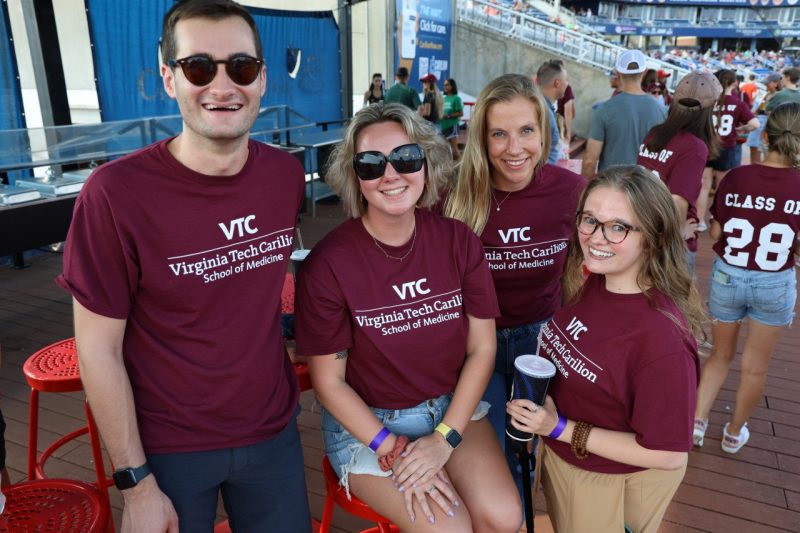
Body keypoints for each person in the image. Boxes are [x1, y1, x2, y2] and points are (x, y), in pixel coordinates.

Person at [56, 1, 311, 531]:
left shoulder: (284, 176)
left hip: (271, 433)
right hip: (167, 449)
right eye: (199, 67)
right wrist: (136, 482)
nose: (222, 85)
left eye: (240, 67)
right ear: (170, 80)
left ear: (262, 79)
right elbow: (97, 347)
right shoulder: (114, 195)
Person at [294, 102, 521, 532]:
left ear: (426, 164)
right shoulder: (330, 262)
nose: (391, 174)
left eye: (405, 158)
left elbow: (482, 348)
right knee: (449, 528)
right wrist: (390, 445)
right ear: (354, 177)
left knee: (503, 517)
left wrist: (444, 439)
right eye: (371, 164)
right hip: (371, 426)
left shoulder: (458, 241)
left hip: (450, 412)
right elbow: (329, 382)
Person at [506, 166, 703, 533]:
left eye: (618, 227)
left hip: (609, 481)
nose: (596, 237)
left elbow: (669, 452)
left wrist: (559, 427)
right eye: (590, 220)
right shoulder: (601, 280)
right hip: (567, 462)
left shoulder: (662, 342)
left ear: (653, 238)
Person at [444, 73, 586, 506]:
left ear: (545, 132)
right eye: (499, 134)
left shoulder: (572, 192)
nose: (514, 148)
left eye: (526, 131)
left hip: (540, 342)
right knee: (492, 463)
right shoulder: (452, 193)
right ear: (481, 139)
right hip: (471, 346)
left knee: (528, 452)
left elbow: (593, 267)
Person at [693, 102, 800, 454]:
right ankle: (733, 434)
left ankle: (696, 422)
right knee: (754, 368)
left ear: (765, 136)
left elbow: (716, 231)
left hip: (728, 275)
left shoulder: (737, 176)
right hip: (773, 280)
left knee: (720, 356)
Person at [637, 70, 722, 275]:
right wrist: (679, 235)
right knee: (675, 304)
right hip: (669, 243)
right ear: (709, 108)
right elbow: (677, 201)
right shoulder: (694, 147)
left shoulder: (656, 132)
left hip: (646, 228)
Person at [582, 49, 666, 177]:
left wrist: (586, 192)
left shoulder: (605, 110)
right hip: (646, 189)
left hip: (611, 187)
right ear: (644, 72)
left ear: (618, 73)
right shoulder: (661, 111)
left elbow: (589, 161)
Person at [696, 69, 758, 231]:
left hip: (707, 145)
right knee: (723, 188)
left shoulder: (707, 100)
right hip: (727, 147)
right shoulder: (738, 103)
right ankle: (718, 221)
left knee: (703, 186)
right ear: (735, 83)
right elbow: (755, 124)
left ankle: (698, 221)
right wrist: (741, 129)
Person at [536, 60, 568, 164]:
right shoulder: (544, 112)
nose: (567, 84)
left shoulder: (543, 107)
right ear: (557, 83)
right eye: (566, 80)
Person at [746, 72, 781, 165]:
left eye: (768, 83)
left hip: (768, 124)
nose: (765, 84)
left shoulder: (779, 96)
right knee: (753, 147)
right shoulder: (767, 93)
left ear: (776, 83)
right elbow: (759, 109)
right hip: (759, 122)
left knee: (765, 150)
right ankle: (753, 169)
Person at [441, 78, 464, 160]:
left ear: (452, 86)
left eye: (447, 85)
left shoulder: (456, 98)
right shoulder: (443, 98)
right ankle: (450, 169)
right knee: (446, 150)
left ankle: (461, 169)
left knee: (454, 150)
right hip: (443, 126)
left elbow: (461, 113)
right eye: (444, 85)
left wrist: (448, 116)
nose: (445, 86)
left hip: (452, 125)